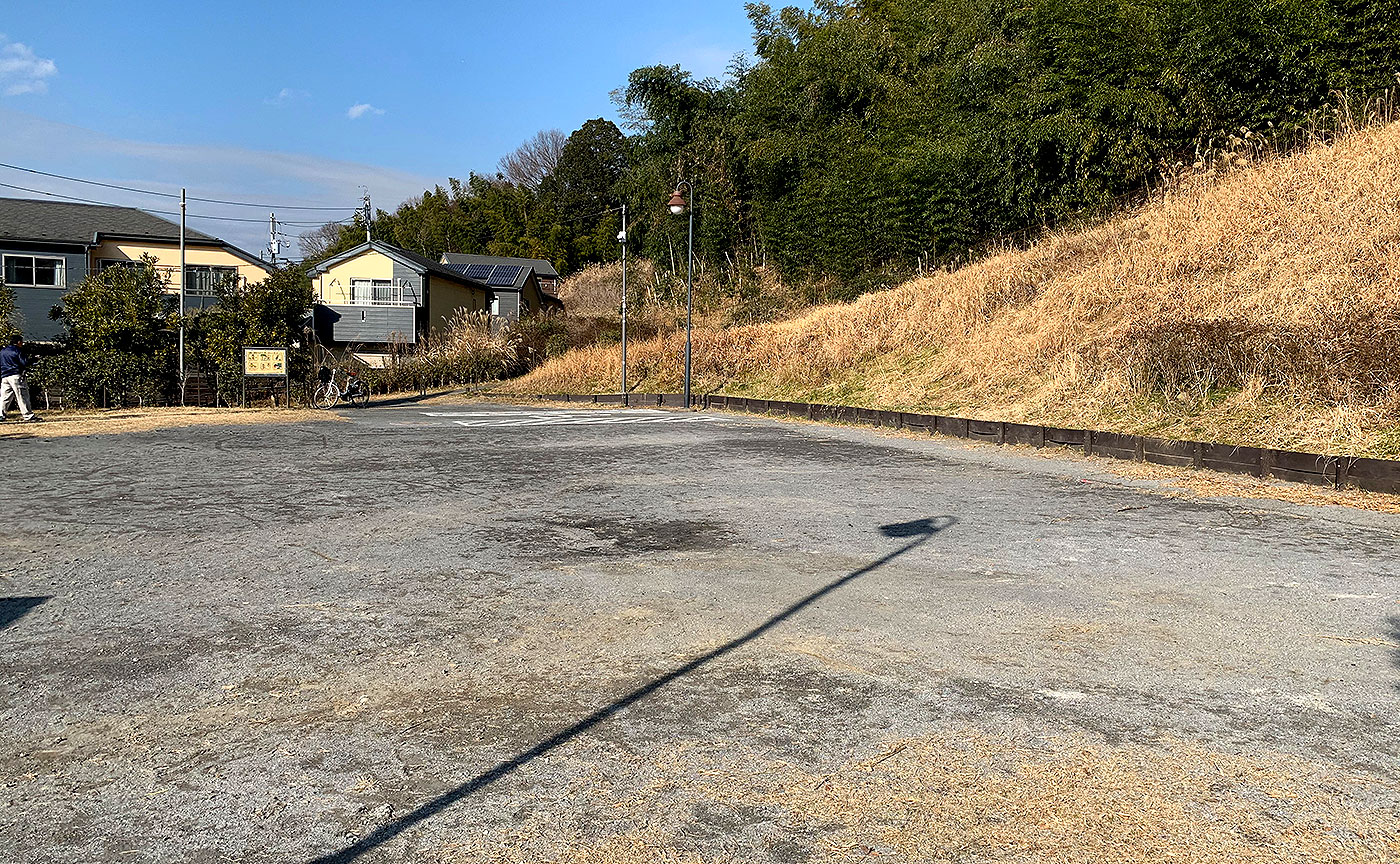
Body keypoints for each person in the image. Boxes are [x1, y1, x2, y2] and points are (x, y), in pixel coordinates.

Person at [0, 334, 40, 423]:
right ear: (18, 342)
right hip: (16, 375)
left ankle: (1, 415)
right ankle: (28, 415)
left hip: (5, 376)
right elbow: (24, 362)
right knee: (22, 395)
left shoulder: (3, 351)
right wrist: (34, 359)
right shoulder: (18, 350)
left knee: (5, 397)